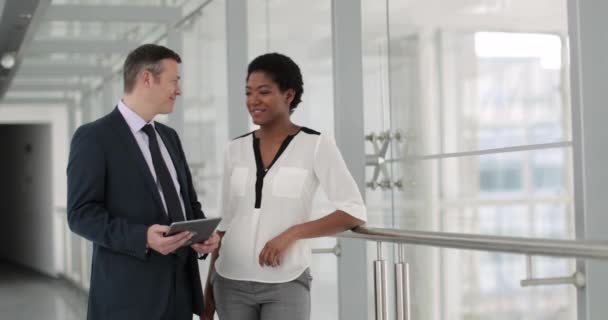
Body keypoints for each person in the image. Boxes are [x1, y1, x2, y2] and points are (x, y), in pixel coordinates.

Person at [202, 53, 367, 320]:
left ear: (288, 95)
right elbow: (225, 224)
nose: (253, 100)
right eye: (248, 92)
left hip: (286, 282)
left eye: (263, 92)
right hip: (229, 281)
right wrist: (208, 293)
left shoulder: (316, 145)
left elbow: (353, 211)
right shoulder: (234, 149)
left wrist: (292, 233)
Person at [67, 43, 219, 320]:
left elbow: (189, 202)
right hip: (127, 299)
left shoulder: (169, 137)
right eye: (174, 81)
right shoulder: (94, 137)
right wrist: (142, 238)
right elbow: (80, 215)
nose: (179, 90)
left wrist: (201, 235)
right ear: (147, 78)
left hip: (179, 295)